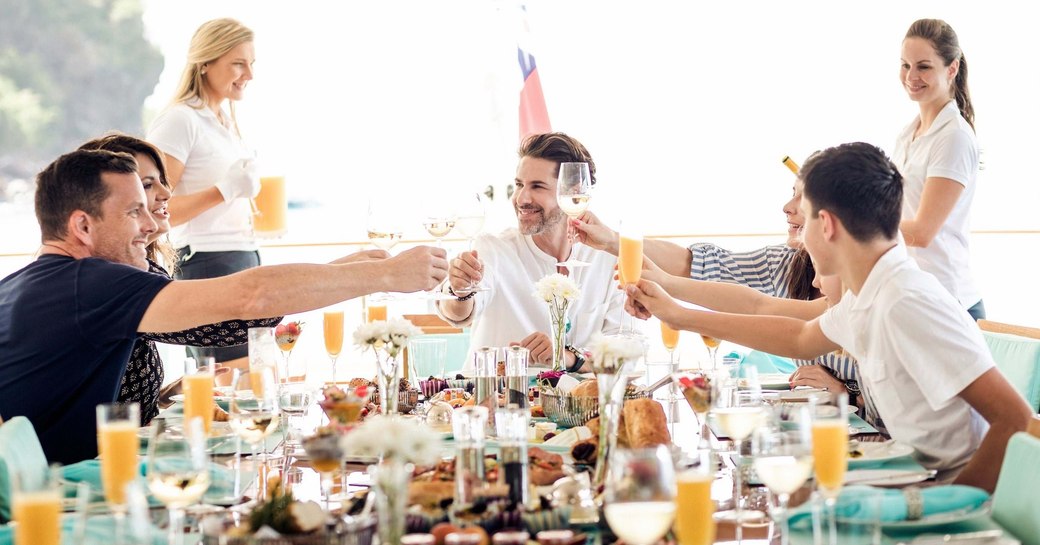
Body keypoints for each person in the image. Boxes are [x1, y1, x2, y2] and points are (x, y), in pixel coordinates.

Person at [624, 142, 1031, 492]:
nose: (799, 233)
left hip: (947, 497)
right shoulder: (872, 293)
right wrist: (678, 315)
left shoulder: (907, 302)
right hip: (909, 479)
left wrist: (948, 502)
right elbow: (799, 336)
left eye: (805, 215)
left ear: (827, 225)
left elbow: (1013, 417)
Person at [0, 149, 448, 464]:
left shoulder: (20, 285)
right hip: (51, 504)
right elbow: (249, 297)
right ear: (82, 225)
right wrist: (384, 277)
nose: (150, 225)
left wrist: (340, 271)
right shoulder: (91, 283)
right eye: (134, 212)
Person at [574, 178, 867, 415]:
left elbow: (795, 333)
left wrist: (849, 396)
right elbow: (751, 300)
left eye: (803, 199)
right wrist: (648, 270)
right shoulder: (788, 262)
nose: (787, 207)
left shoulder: (869, 294)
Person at [77, 134, 282, 424]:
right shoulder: (107, 278)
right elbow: (227, 324)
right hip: (101, 461)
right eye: (147, 185)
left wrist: (166, 394)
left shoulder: (135, 266)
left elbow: (101, 386)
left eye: (162, 181)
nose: (166, 193)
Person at [435, 132, 628, 371]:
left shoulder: (608, 257)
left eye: (537, 186)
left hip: (581, 405)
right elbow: (458, 313)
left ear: (573, 191)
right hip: (496, 401)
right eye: (519, 185)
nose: (521, 198)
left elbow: (627, 349)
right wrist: (459, 289)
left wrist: (567, 358)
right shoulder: (494, 249)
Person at [146, 18, 264, 364]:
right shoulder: (180, 121)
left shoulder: (224, 123)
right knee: (226, 385)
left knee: (251, 380)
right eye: (238, 63)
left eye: (252, 63)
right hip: (207, 263)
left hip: (242, 257)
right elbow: (153, 210)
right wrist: (224, 190)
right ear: (206, 63)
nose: (250, 74)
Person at [895, 19, 983, 319]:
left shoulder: (953, 137)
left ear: (952, 68)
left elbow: (921, 232)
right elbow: (898, 212)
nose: (911, 76)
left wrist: (856, 222)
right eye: (905, 65)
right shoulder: (909, 134)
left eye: (923, 66)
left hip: (950, 302)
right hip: (917, 294)